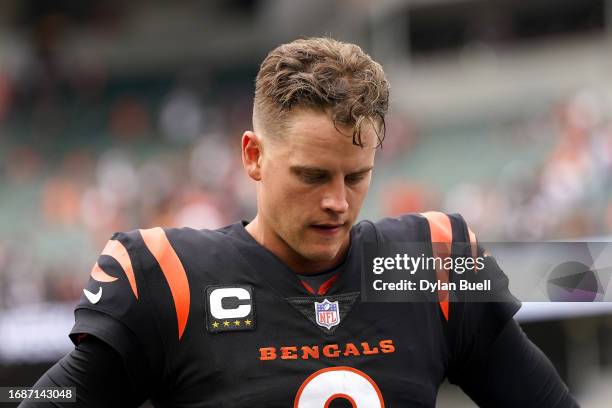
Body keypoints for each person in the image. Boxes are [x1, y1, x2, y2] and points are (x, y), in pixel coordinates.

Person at [22, 37, 578, 407]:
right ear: (254, 156)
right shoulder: (172, 278)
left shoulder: (426, 264)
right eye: (313, 176)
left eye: (356, 176)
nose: (338, 201)